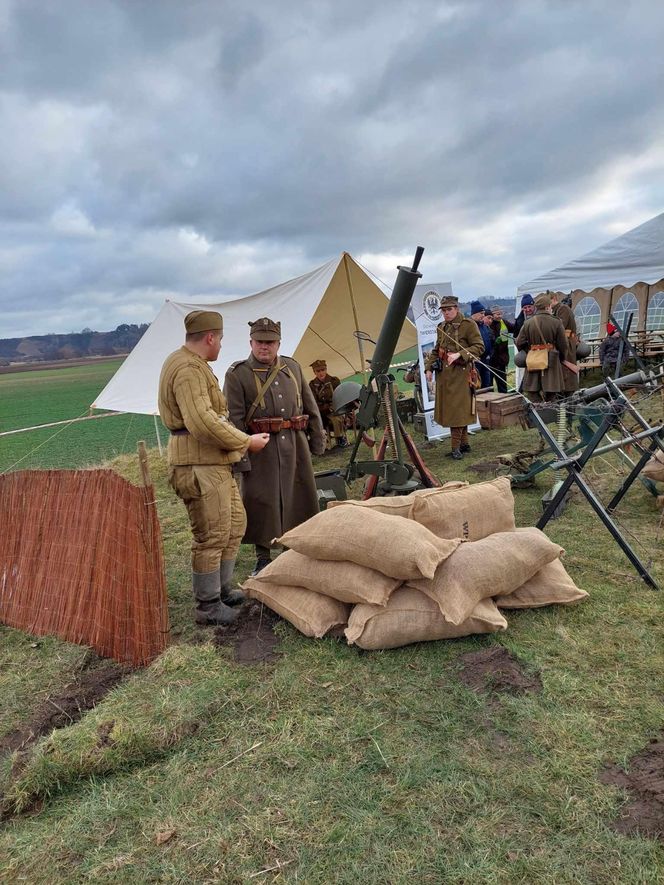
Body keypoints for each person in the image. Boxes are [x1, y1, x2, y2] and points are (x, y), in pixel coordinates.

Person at [158, 310, 270, 625]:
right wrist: (245, 442)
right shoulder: (188, 369)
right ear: (210, 337)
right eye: (219, 339)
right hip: (198, 464)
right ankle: (207, 605)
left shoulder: (193, 365)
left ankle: (220, 590)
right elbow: (202, 421)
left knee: (234, 523)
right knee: (212, 533)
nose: (220, 345)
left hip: (212, 461)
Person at [224, 317, 326, 574]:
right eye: (260, 342)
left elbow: (310, 405)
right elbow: (233, 420)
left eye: (270, 342)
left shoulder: (292, 367)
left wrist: (316, 440)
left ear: (278, 343)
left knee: (298, 496)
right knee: (262, 501)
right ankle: (263, 555)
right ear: (251, 342)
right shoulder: (238, 375)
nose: (264, 347)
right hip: (260, 449)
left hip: (294, 444)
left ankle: (295, 549)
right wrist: (242, 458)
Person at [424, 295, 485, 460]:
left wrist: (460, 353)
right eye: (443, 310)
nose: (446, 313)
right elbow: (437, 350)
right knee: (456, 410)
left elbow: (479, 347)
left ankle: (455, 448)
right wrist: (428, 368)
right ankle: (464, 444)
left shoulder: (468, 325)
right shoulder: (442, 327)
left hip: (461, 374)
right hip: (444, 375)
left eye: (449, 309)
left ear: (456, 308)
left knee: (457, 411)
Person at [515, 294, 571, 402]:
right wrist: (561, 357)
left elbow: (519, 342)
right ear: (547, 307)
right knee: (552, 394)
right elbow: (563, 344)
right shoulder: (556, 321)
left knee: (533, 393)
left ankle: (539, 413)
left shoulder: (527, 323)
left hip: (533, 360)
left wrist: (530, 351)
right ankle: (550, 415)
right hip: (552, 360)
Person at [309, 359, 348, 449]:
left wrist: (332, 406)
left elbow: (339, 396)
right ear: (314, 372)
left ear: (326, 369)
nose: (321, 373)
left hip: (333, 408)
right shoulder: (312, 384)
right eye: (318, 371)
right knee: (313, 422)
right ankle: (321, 441)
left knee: (336, 419)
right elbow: (313, 401)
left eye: (323, 370)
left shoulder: (334, 381)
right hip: (320, 410)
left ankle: (340, 438)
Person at [551, 292, 579, 393]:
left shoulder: (562, 309)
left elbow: (560, 327)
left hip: (567, 343)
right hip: (564, 342)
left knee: (567, 372)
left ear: (554, 299)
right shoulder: (557, 309)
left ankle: (569, 396)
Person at [488, 306, 515, 393]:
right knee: (489, 386)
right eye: (497, 314)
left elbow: (515, 328)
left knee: (502, 385)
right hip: (490, 360)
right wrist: (495, 341)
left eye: (500, 314)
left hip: (502, 359)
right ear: (492, 315)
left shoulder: (504, 322)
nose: (499, 316)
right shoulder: (488, 324)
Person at [469, 300, 494, 389]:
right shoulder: (469, 326)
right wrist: (472, 357)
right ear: (474, 314)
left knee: (487, 385)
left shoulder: (484, 326)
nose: (483, 315)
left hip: (485, 361)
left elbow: (490, 341)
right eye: (481, 313)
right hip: (475, 363)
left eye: (483, 313)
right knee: (477, 387)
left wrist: (489, 355)